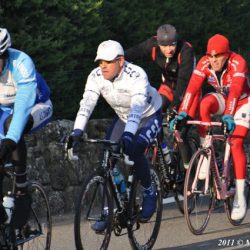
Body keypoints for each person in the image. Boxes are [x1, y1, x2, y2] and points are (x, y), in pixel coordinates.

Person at [67, 40, 162, 231]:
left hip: (148, 115)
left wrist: (128, 135)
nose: (102, 66)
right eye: (100, 61)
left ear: (121, 61)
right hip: (124, 117)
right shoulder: (96, 76)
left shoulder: (136, 75)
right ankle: (108, 210)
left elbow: (137, 108)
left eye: (107, 62)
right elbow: (87, 103)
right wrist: (76, 131)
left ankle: (150, 190)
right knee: (106, 158)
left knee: (134, 150)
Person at [172, 34, 250, 220]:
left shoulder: (238, 62)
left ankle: (240, 195)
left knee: (236, 142)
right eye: (211, 56)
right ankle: (206, 151)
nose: (214, 60)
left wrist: (229, 116)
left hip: (243, 101)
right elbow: (192, 88)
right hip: (224, 98)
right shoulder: (205, 63)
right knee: (204, 104)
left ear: (227, 54)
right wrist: (183, 112)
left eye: (218, 56)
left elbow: (237, 90)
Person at [125, 23, 199, 169]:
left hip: (188, 90)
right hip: (168, 86)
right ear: (158, 43)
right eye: (164, 46)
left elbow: (184, 82)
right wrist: (118, 58)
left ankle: (188, 169)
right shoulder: (152, 44)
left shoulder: (186, 50)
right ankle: (162, 148)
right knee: (153, 110)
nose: (168, 50)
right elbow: (136, 51)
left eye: (172, 45)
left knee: (180, 130)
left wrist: (175, 107)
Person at [0, 28, 53, 224]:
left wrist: (9, 141)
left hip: (36, 106)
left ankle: (22, 187)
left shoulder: (21, 62)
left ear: (4, 56)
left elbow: (22, 107)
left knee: (13, 126)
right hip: (4, 108)